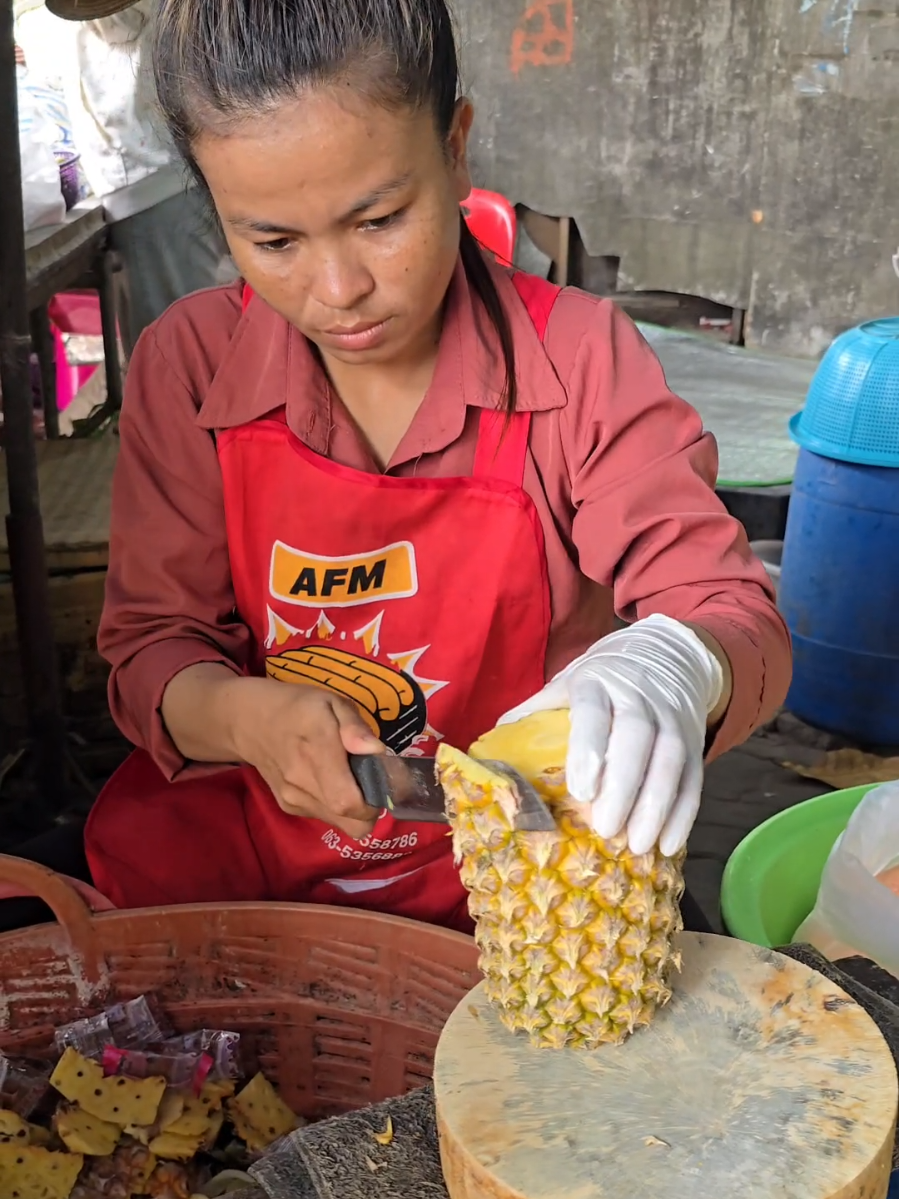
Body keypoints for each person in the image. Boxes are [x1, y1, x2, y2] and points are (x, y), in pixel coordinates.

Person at [87, 0, 791, 932]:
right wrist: (244, 718)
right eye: (274, 242)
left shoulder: (579, 361)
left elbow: (732, 611)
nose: (339, 290)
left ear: (455, 149)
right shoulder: (191, 364)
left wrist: (674, 660)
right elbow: (151, 648)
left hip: (527, 883)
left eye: (379, 218)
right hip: (253, 863)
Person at [16, 0, 236, 356]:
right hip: (164, 176)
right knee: (197, 330)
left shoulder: (118, 16)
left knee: (180, 348)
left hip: (154, 184)